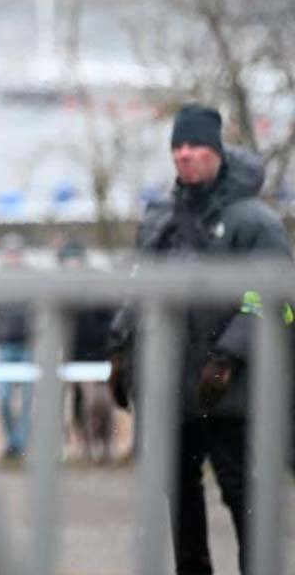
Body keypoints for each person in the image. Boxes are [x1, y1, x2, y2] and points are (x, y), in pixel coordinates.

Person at [108, 104, 292, 575]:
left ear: (216, 151)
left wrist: (230, 354)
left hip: (231, 394)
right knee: (180, 496)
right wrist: (120, 347)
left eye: (195, 146)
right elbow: (138, 287)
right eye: (178, 146)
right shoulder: (160, 219)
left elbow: (269, 296)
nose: (185, 155)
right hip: (169, 388)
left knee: (244, 495)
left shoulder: (254, 221)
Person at [56, 239, 117, 463]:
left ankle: (106, 446)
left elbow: (110, 319)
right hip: (76, 355)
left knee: (102, 403)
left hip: (101, 354)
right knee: (81, 402)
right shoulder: (63, 290)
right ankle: (86, 445)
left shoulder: (98, 286)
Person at [0, 232, 34, 460]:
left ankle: (20, 445)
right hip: (5, 348)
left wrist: (36, 335)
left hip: (28, 348)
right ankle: (13, 443)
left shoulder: (33, 279)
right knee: (2, 399)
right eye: (9, 253)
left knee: (28, 402)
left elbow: (45, 313)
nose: (13, 257)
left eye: (16, 253)